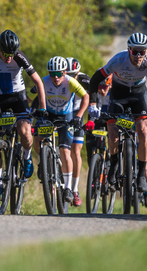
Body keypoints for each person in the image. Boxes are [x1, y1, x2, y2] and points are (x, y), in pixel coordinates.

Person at [0, 30, 47, 202]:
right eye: (6, 54)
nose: (10, 58)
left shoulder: (19, 57)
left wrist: (43, 107)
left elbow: (38, 81)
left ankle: (26, 158)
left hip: (18, 97)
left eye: (12, 54)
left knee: (24, 130)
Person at [88, 32, 147, 193]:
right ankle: (114, 163)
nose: (138, 56)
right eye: (135, 51)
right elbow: (95, 79)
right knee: (112, 133)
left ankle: (140, 174)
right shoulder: (118, 60)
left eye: (142, 52)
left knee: (144, 131)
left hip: (139, 94)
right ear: (128, 50)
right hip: (119, 94)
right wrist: (93, 103)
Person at [33, 56, 89, 203]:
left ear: (65, 72)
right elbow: (35, 96)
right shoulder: (44, 81)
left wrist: (79, 116)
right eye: (52, 74)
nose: (56, 77)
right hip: (49, 114)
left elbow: (86, 97)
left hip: (66, 116)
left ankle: (68, 188)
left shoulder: (71, 82)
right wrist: (33, 110)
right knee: (37, 139)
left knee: (65, 150)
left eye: (59, 74)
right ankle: (42, 162)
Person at [65, 57, 90, 207]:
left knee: (76, 152)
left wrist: (85, 117)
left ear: (78, 72)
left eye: (74, 74)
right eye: (68, 73)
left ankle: (74, 189)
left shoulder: (85, 80)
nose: (71, 77)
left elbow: (92, 99)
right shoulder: (59, 78)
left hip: (77, 114)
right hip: (62, 113)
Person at [84, 74, 112, 166]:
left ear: (110, 85)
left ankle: (112, 160)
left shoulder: (114, 92)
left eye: (105, 87)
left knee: (115, 138)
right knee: (89, 142)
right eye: (100, 87)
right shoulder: (94, 92)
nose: (102, 90)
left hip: (110, 118)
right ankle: (91, 166)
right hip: (96, 118)